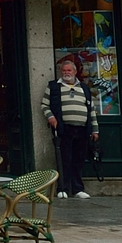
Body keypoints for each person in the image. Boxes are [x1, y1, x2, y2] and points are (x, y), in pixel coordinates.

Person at [47, 56, 97, 199]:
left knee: (78, 160)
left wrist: (95, 130)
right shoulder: (54, 86)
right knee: (64, 160)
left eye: (69, 70)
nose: (66, 73)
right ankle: (63, 188)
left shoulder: (84, 88)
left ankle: (77, 189)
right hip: (64, 128)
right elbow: (44, 105)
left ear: (75, 72)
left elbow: (91, 110)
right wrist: (51, 117)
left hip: (82, 129)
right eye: (64, 70)